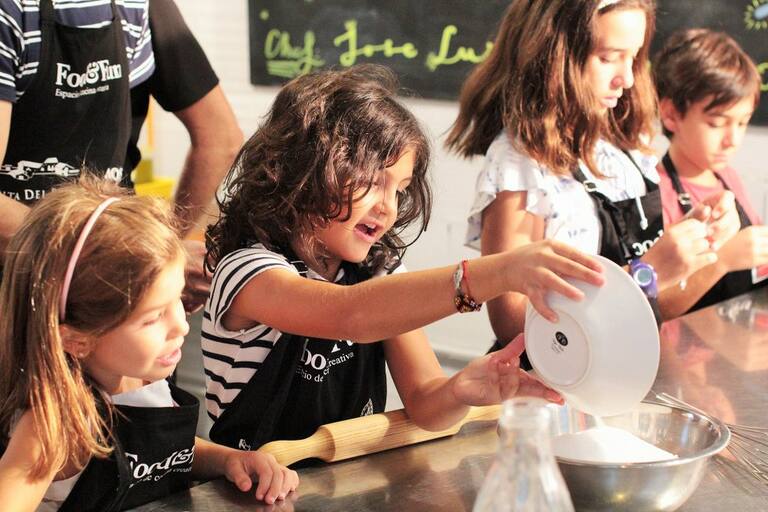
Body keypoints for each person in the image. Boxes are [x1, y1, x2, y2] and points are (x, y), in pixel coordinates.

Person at [201, 64, 605, 451]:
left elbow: (426, 403)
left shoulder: (377, 269)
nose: (388, 208)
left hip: (342, 481)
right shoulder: (247, 270)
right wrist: (498, 272)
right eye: (374, 181)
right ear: (306, 168)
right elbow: (349, 315)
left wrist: (461, 390)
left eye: (400, 189)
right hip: (251, 482)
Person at [445, 0, 739, 349]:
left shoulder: (622, 146)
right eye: (608, 57)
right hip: (554, 374)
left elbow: (658, 301)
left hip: (623, 363)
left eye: (633, 57)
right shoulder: (520, 162)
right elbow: (511, 322)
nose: (627, 78)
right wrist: (646, 273)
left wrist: (700, 241)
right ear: (555, 54)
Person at [0, 178, 298, 511]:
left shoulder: (144, 378)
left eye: (178, 300)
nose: (180, 326)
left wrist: (228, 460)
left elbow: (164, 452)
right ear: (78, 340)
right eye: (153, 317)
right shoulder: (51, 426)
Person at [0, 0, 154, 250]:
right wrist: (98, 249)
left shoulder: (133, 7)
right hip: (16, 264)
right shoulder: (10, 11)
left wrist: (157, 248)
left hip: (100, 257)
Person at [127, 0, 244, 313]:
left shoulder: (144, 8)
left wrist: (162, 251)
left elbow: (221, 138)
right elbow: (221, 139)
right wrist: (157, 252)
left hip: (121, 264)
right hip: (119, 261)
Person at [653, 28, 768, 316]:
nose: (733, 140)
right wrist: (723, 260)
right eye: (717, 124)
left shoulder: (727, 177)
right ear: (671, 115)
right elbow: (658, 306)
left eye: (742, 123)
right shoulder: (655, 195)